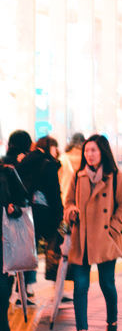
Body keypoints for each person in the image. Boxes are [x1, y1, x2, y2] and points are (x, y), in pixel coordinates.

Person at [63, 133, 122, 331]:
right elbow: (69, 202)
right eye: (87, 151)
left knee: (107, 284)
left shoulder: (116, 176)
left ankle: (112, 324)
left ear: (102, 151)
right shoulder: (77, 176)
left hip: (105, 240)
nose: (89, 155)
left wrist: (113, 230)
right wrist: (71, 211)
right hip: (82, 240)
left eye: (94, 150)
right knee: (80, 287)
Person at [4, 130, 60, 305]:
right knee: (36, 250)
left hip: (15, 213)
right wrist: (59, 214)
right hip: (39, 213)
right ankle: (34, 287)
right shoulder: (45, 163)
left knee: (18, 251)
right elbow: (54, 193)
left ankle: (20, 289)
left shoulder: (9, 163)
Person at [0, 153, 30, 331]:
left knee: (3, 282)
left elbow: (23, 199)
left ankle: (2, 315)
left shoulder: (7, 173)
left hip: (5, 236)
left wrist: (14, 208)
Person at [36, 136, 67, 282]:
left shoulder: (34, 163)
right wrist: (60, 213)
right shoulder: (49, 165)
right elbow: (54, 192)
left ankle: (26, 288)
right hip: (49, 215)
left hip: (34, 213)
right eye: (55, 147)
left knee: (32, 250)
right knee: (56, 249)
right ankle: (57, 285)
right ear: (49, 147)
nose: (57, 150)